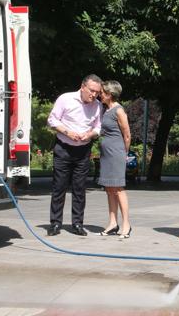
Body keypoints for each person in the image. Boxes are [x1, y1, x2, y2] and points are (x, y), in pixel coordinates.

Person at [47, 74, 103, 236]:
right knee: (59, 187)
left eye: (97, 92)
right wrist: (68, 132)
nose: (94, 95)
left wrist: (91, 134)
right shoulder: (65, 99)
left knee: (79, 189)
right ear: (82, 86)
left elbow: (98, 127)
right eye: (91, 90)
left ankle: (77, 224)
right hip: (63, 147)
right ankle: (55, 223)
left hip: (83, 151)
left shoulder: (98, 106)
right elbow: (52, 120)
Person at [98, 80, 133, 239]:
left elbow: (127, 135)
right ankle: (113, 222)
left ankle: (126, 224)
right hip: (107, 153)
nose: (100, 94)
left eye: (103, 92)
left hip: (116, 152)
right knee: (109, 188)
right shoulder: (106, 109)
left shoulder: (118, 110)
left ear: (110, 94)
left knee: (118, 188)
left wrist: (124, 153)